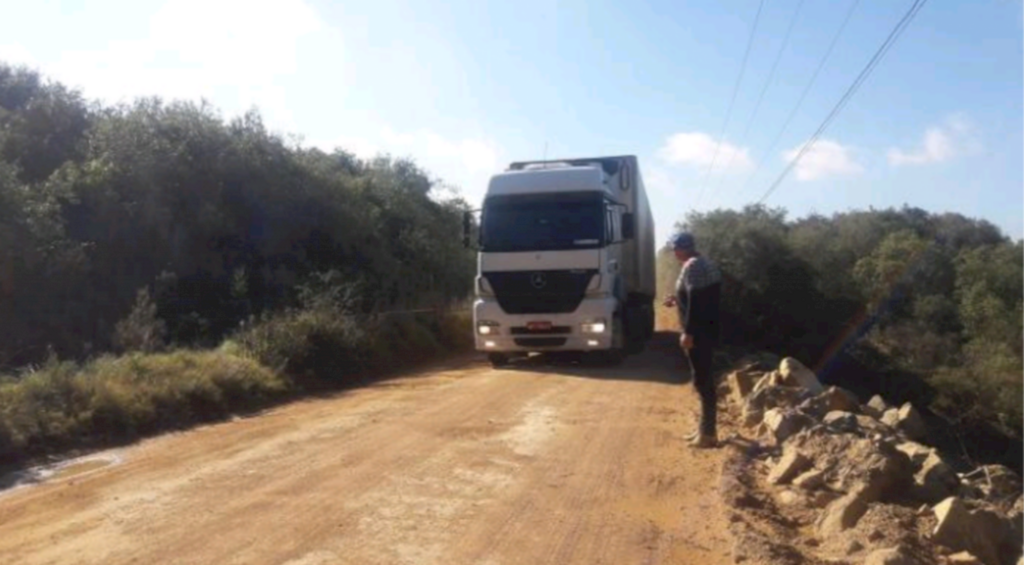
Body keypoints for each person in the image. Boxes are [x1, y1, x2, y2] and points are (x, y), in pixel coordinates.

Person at [663, 232, 722, 448]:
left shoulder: (693, 266)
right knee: (703, 379)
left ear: (683, 248)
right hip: (706, 331)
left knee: (702, 381)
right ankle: (704, 430)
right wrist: (677, 299)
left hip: (700, 333)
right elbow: (696, 296)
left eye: (675, 249)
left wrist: (689, 332)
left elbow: (698, 302)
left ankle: (708, 434)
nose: (674, 253)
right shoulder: (703, 263)